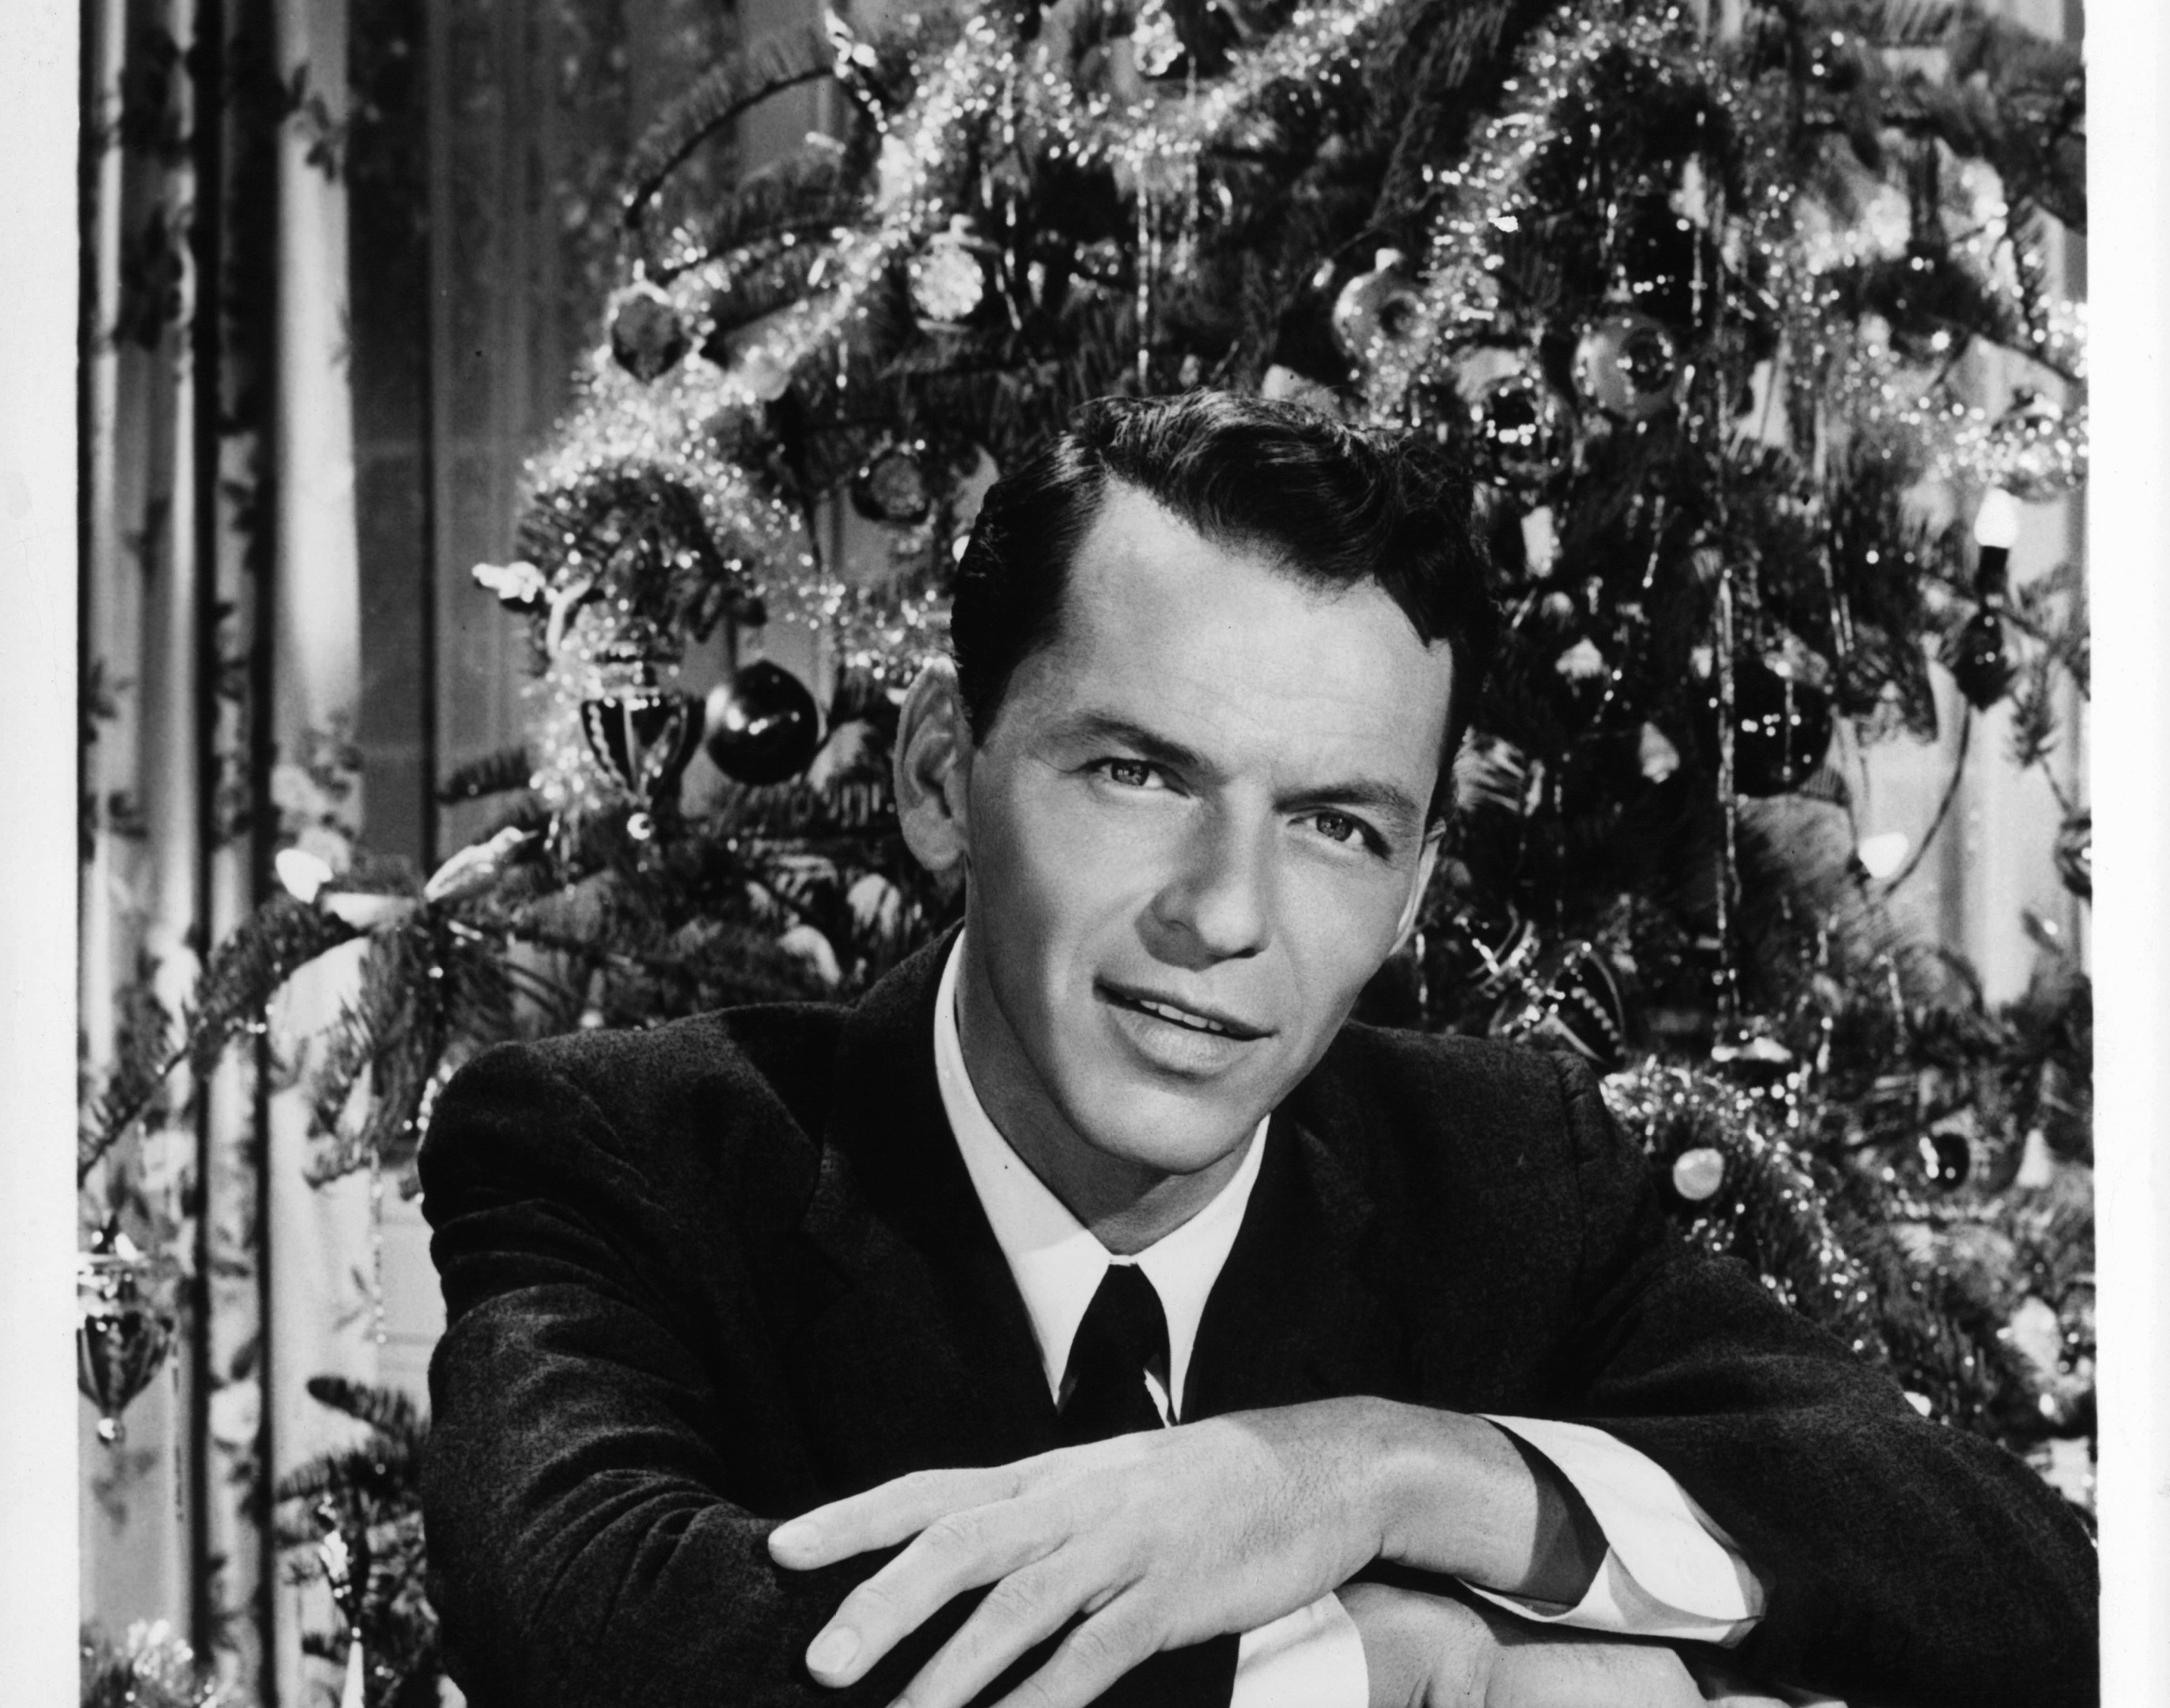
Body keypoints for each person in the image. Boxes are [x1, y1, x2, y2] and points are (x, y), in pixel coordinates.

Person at [418, 393, 2097, 1708]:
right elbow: (614, 1656)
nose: (1226, 915)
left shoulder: (1515, 1166)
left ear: (1418, 881)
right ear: (944, 775)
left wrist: (1377, 1469)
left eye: (1336, 825)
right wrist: (1405, 1669)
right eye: (1138, 773)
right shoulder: (619, 1150)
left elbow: (2029, 1595)